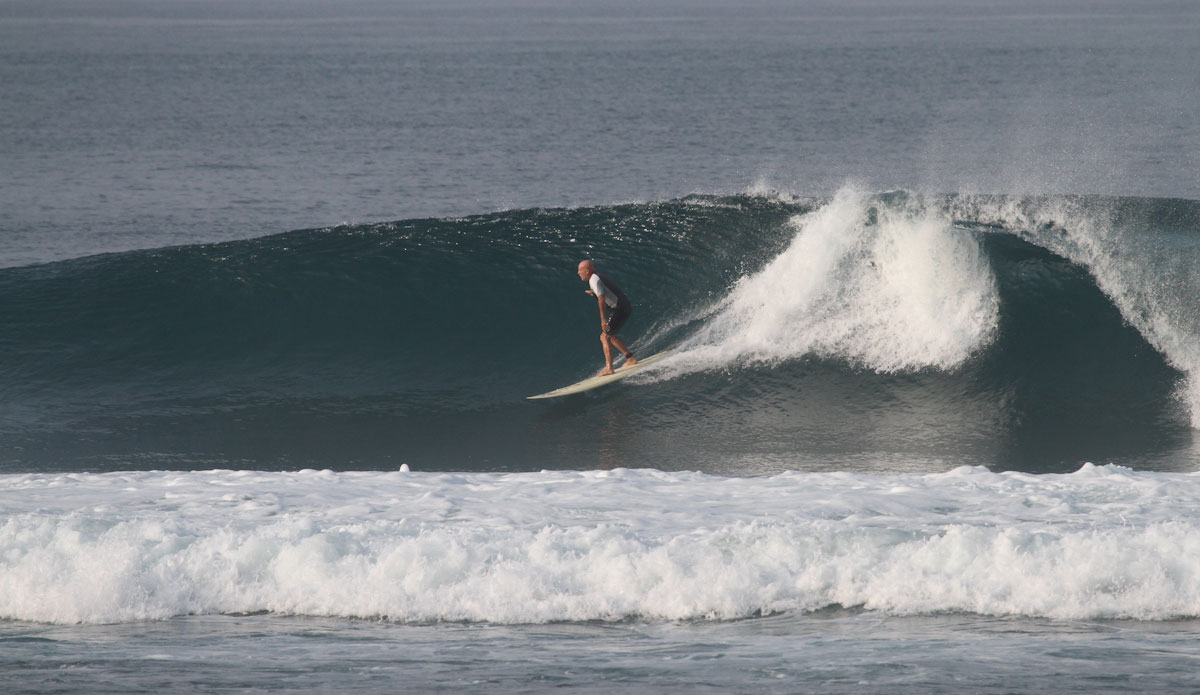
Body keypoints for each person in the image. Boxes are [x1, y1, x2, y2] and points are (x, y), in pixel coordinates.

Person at [577, 260, 638, 376]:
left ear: (587, 271)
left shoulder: (594, 280)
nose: (578, 273)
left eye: (580, 270)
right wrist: (594, 293)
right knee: (611, 336)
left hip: (619, 309)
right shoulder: (597, 276)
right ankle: (630, 358)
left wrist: (603, 319)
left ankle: (609, 368)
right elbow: (606, 291)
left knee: (604, 337)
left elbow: (601, 298)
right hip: (623, 307)